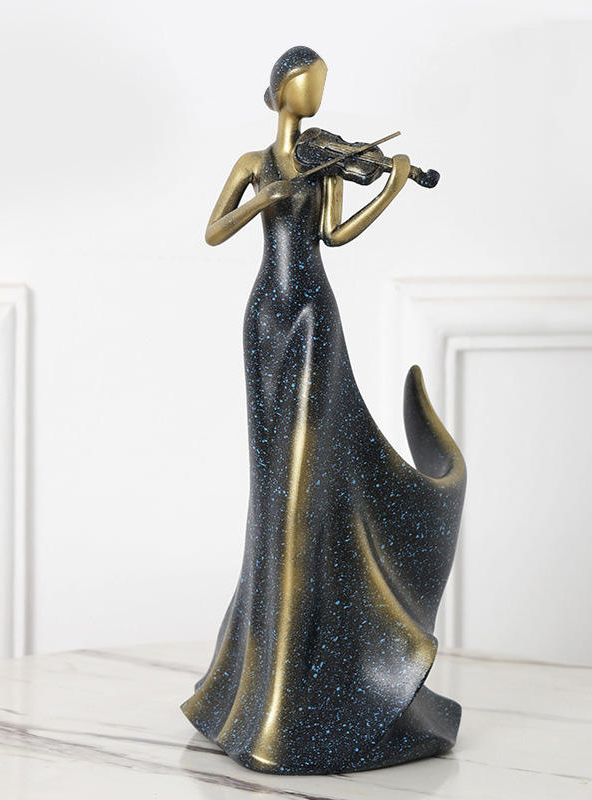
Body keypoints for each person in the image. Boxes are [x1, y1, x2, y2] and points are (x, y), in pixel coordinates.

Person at [182, 45, 466, 775]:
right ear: (282, 89)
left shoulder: (326, 163)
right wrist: (263, 200)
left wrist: (391, 185)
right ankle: (256, 693)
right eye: (309, 84)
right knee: (271, 491)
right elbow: (214, 230)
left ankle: (298, 696)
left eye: (322, 86)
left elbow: (334, 236)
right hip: (267, 317)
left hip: (313, 316)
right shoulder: (255, 163)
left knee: (303, 489)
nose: (316, 96)